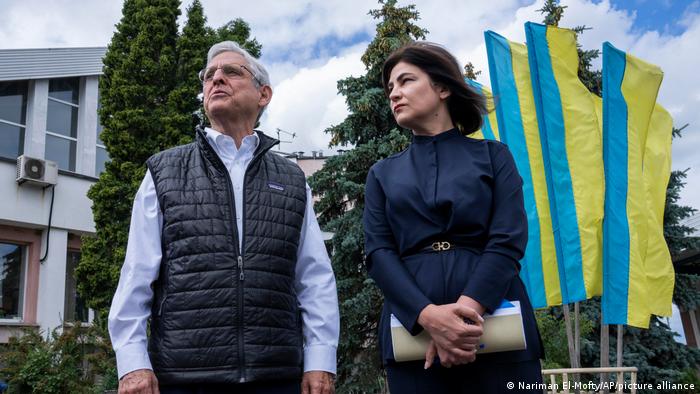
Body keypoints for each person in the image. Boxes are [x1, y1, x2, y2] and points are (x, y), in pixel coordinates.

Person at [108, 41, 339, 394]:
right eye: (209, 76)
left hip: (275, 377)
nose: (216, 79)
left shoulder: (291, 178)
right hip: (185, 378)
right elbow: (137, 272)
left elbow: (314, 277)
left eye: (231, 72)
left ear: (264, 94)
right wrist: (132, 363)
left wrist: (321, 359)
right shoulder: (165, 170)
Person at [363, 41, 544, 393]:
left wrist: (462, 316)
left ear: (443, 87)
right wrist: (430, 318)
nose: (394, 94)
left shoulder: (494, 157)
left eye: (406, 81)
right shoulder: (382, 174)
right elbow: (378, 254)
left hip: (497, 322)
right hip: (413, 338)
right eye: (390, 88)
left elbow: (507, 239)